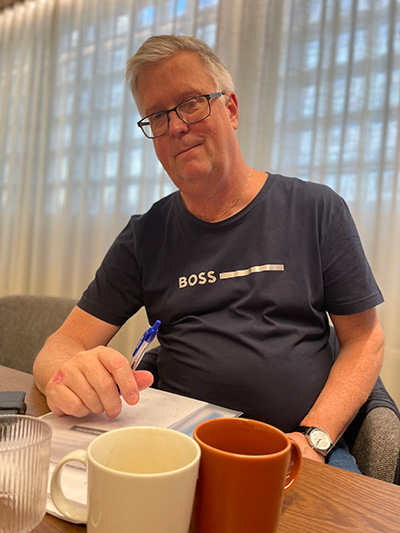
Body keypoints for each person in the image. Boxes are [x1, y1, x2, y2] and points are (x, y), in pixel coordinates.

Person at [33, 35, 384, 471]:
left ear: (230, 109)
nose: (176, 126)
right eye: (157, 116)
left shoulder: (315, 209)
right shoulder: (146, 235)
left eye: (191, 103)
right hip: (179, 451)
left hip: (297, 447)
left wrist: (315, 437)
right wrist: (65, 376)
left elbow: (365, 339)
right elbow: (61, 345)